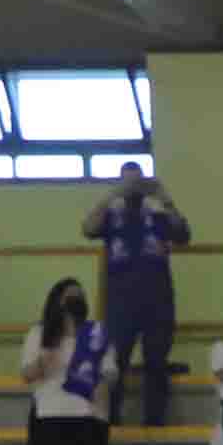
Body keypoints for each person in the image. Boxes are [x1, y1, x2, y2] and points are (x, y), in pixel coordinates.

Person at [85, 165, 191, 429]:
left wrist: (164, 196)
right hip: (121, 303)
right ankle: (112, 421)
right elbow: (88, 228)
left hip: (158, 301)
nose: (133, 186)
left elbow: (184, 234)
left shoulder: (157, 216)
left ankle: (155, 423)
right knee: (116, 361)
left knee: (156, 363)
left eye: (137, 180)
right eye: (127, 181)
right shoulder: (111, 216)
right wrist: (112, 194)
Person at [15, 279, 112, 445]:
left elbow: (109, 373)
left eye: (80, 296)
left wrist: (100, 392)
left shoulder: (97, 332)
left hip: (88, 415)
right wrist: (48, 355)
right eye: (70, 296)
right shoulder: (39, 333)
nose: (76, 300)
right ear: (56, 300)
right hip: (49, 413)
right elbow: (26, 375)